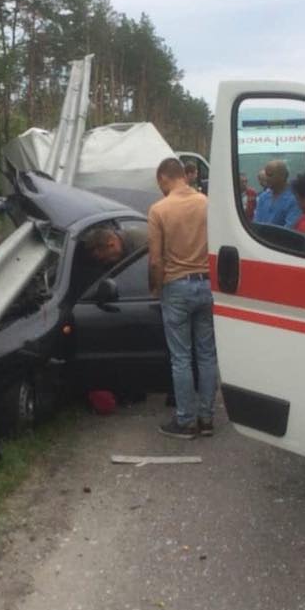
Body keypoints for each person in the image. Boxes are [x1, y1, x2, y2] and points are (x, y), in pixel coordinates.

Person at [148, 156, 217, 439]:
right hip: (207, 285)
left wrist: (157, 288)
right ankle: (207, 419)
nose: (160, 188)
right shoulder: (207, 203)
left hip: (176, 286)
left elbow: (155, 260)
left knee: (181, 358)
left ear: (165, 178)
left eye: (160, 183)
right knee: (207, 355)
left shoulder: (159, 210)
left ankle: (185, 421)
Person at [253, 159, 301, 228]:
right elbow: (256, 224)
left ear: (283, 176)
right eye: (266, 174)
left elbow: (290, 228)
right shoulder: (263, 197)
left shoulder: (295, 199)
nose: (266, 178)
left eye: (270, 175)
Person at [80, 223, 147, 265]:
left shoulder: (142, 246)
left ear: (111, 244)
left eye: (105, 259)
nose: (105, 263)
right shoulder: (118, 243)